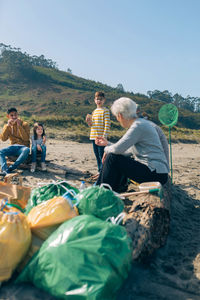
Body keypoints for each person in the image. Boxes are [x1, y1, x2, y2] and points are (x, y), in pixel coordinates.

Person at [95, 97, 169, 193]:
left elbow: (117, 149)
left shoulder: (138, 126)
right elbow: (127, 152)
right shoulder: (141, 123)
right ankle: (109, 189)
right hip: (158, 172)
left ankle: (101, 192)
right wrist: (108, 145)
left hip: (155, 173)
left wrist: (106, 149)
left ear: (120, 115)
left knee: (113, 158)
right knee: (115, 157)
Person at [86, 91, 110, 177]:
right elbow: (92, 124)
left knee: (101, 156)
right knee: (97, 155)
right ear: (94, 100)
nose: (99, 101)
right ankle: (100, 171)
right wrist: (88, 122)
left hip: (101, 138)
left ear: (104, 100)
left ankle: (103, 172)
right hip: (93, 136)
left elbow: (107, 125)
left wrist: (104, 137)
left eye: (101, 99)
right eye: (97, 99)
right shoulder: (94, 111)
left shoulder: (106, 110)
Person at [0, 107, 30, 175]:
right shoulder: (7, 126)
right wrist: (7, 126)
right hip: (13, 147)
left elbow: (26, 139)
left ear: (18, 115)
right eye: (11, 115)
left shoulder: (24, 124)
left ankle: (11, 168)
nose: (14, 117)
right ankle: (4, 170)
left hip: (23, 147)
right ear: (8, 116)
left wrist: (19, 126)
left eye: (15, 114)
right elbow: (3, 139)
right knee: (0, 152)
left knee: (27, 150)